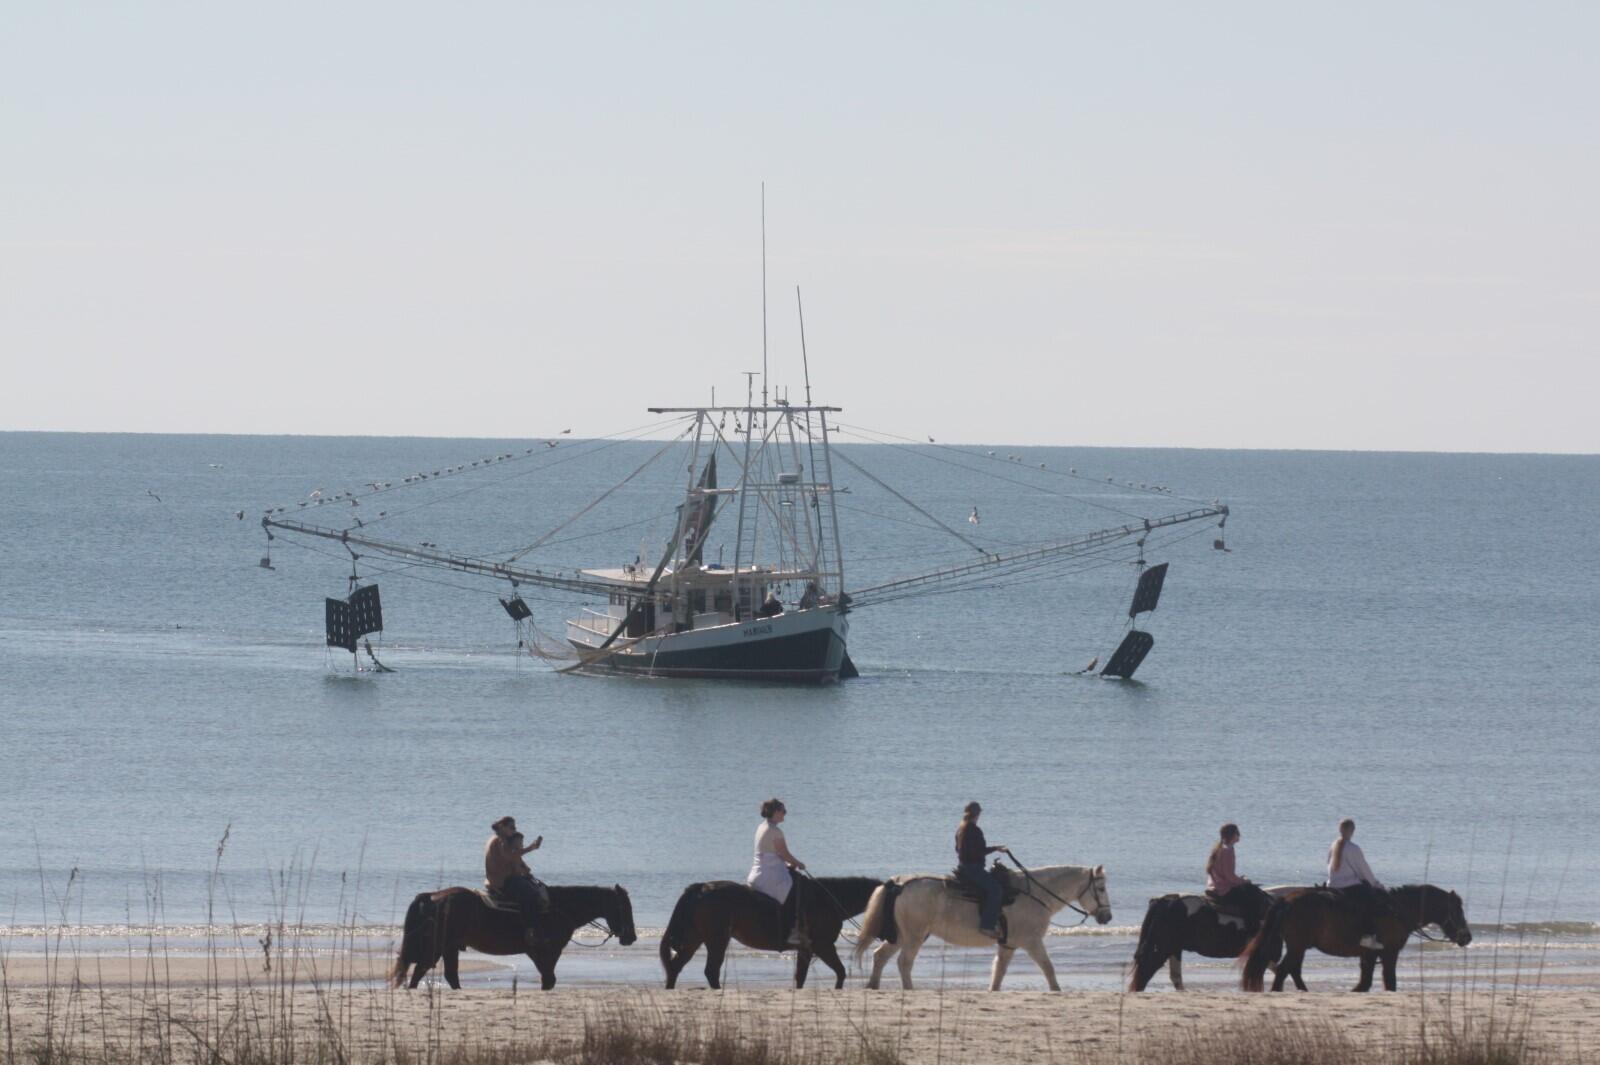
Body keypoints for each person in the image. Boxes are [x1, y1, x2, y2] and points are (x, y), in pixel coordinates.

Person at [747, 798, 807, 947]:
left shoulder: (762, 827)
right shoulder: (775, 831)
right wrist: (798, 864)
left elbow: (775, 853)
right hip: (769, 874)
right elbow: (784, 853)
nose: (785, 814)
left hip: (759, 871)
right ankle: (794, 931)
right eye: (783, 811)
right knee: (796, 889)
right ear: (775, 812)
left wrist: (788, 863)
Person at [1327, 817, 1391, 951]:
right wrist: (1375, 884)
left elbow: (1329, 866)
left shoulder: (1333, 845)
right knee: (1371, 901)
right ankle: (1367, 936)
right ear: (1352, 831)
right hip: (1348, 886)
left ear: (1340, 830)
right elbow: (1363, 870)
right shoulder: (1353, 848)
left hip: (1332, 885)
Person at [485, 815, 547, 949]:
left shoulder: (498, 839)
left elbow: (512, 858)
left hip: (501, 878)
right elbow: (510, 856)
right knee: (531, 894)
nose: (514, 830)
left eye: (515, 827)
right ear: (502, 827)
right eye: (512, 827)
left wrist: (525, 870)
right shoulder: (499, 840)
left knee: (532, 886)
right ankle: (530, 930)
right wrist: (530, 848)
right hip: (502, 882)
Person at [955, 802, 1008, 939]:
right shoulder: (974, 830)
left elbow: (958, 850)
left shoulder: (960, 829)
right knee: (996, 890)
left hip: (963, 867)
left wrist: (993, 848)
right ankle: (987, 925)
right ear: (977, 814)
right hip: (973, 869)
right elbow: (979, 851)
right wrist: (996, 849)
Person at [1205, 822, 1267, 918]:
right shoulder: (1227, 851)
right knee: (1254, 896)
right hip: (1224, 890)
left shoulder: (1219, 848)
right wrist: (1244, 881)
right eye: (1237, 833)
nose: (1239, 835)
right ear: (1233, 835)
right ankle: (1251, 926)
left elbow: (1225, 875)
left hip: (1215, 886)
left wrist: (1239, 880)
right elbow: (1229, 876)